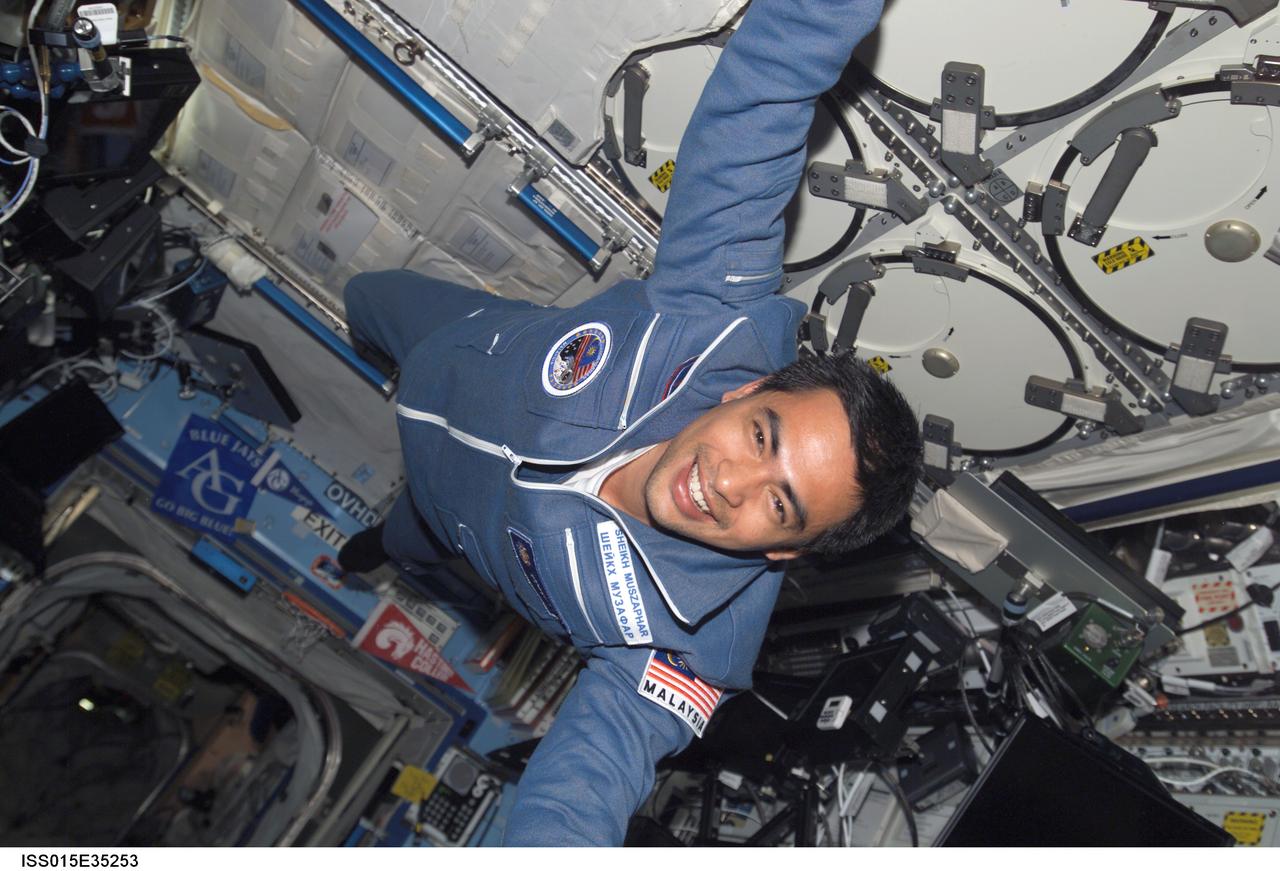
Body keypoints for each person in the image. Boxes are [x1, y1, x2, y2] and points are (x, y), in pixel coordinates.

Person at [340, 0, 913, 845]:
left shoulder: (682, 651)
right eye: (762, 436)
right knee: (362, 297)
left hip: (443, 515)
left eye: (779, 504)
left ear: (785, 550)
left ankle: (376, 547)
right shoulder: (709, 316)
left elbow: (581, 794)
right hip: (451, 341)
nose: (728, 482)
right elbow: (764, 91)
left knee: (403, 538)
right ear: (742, 393)